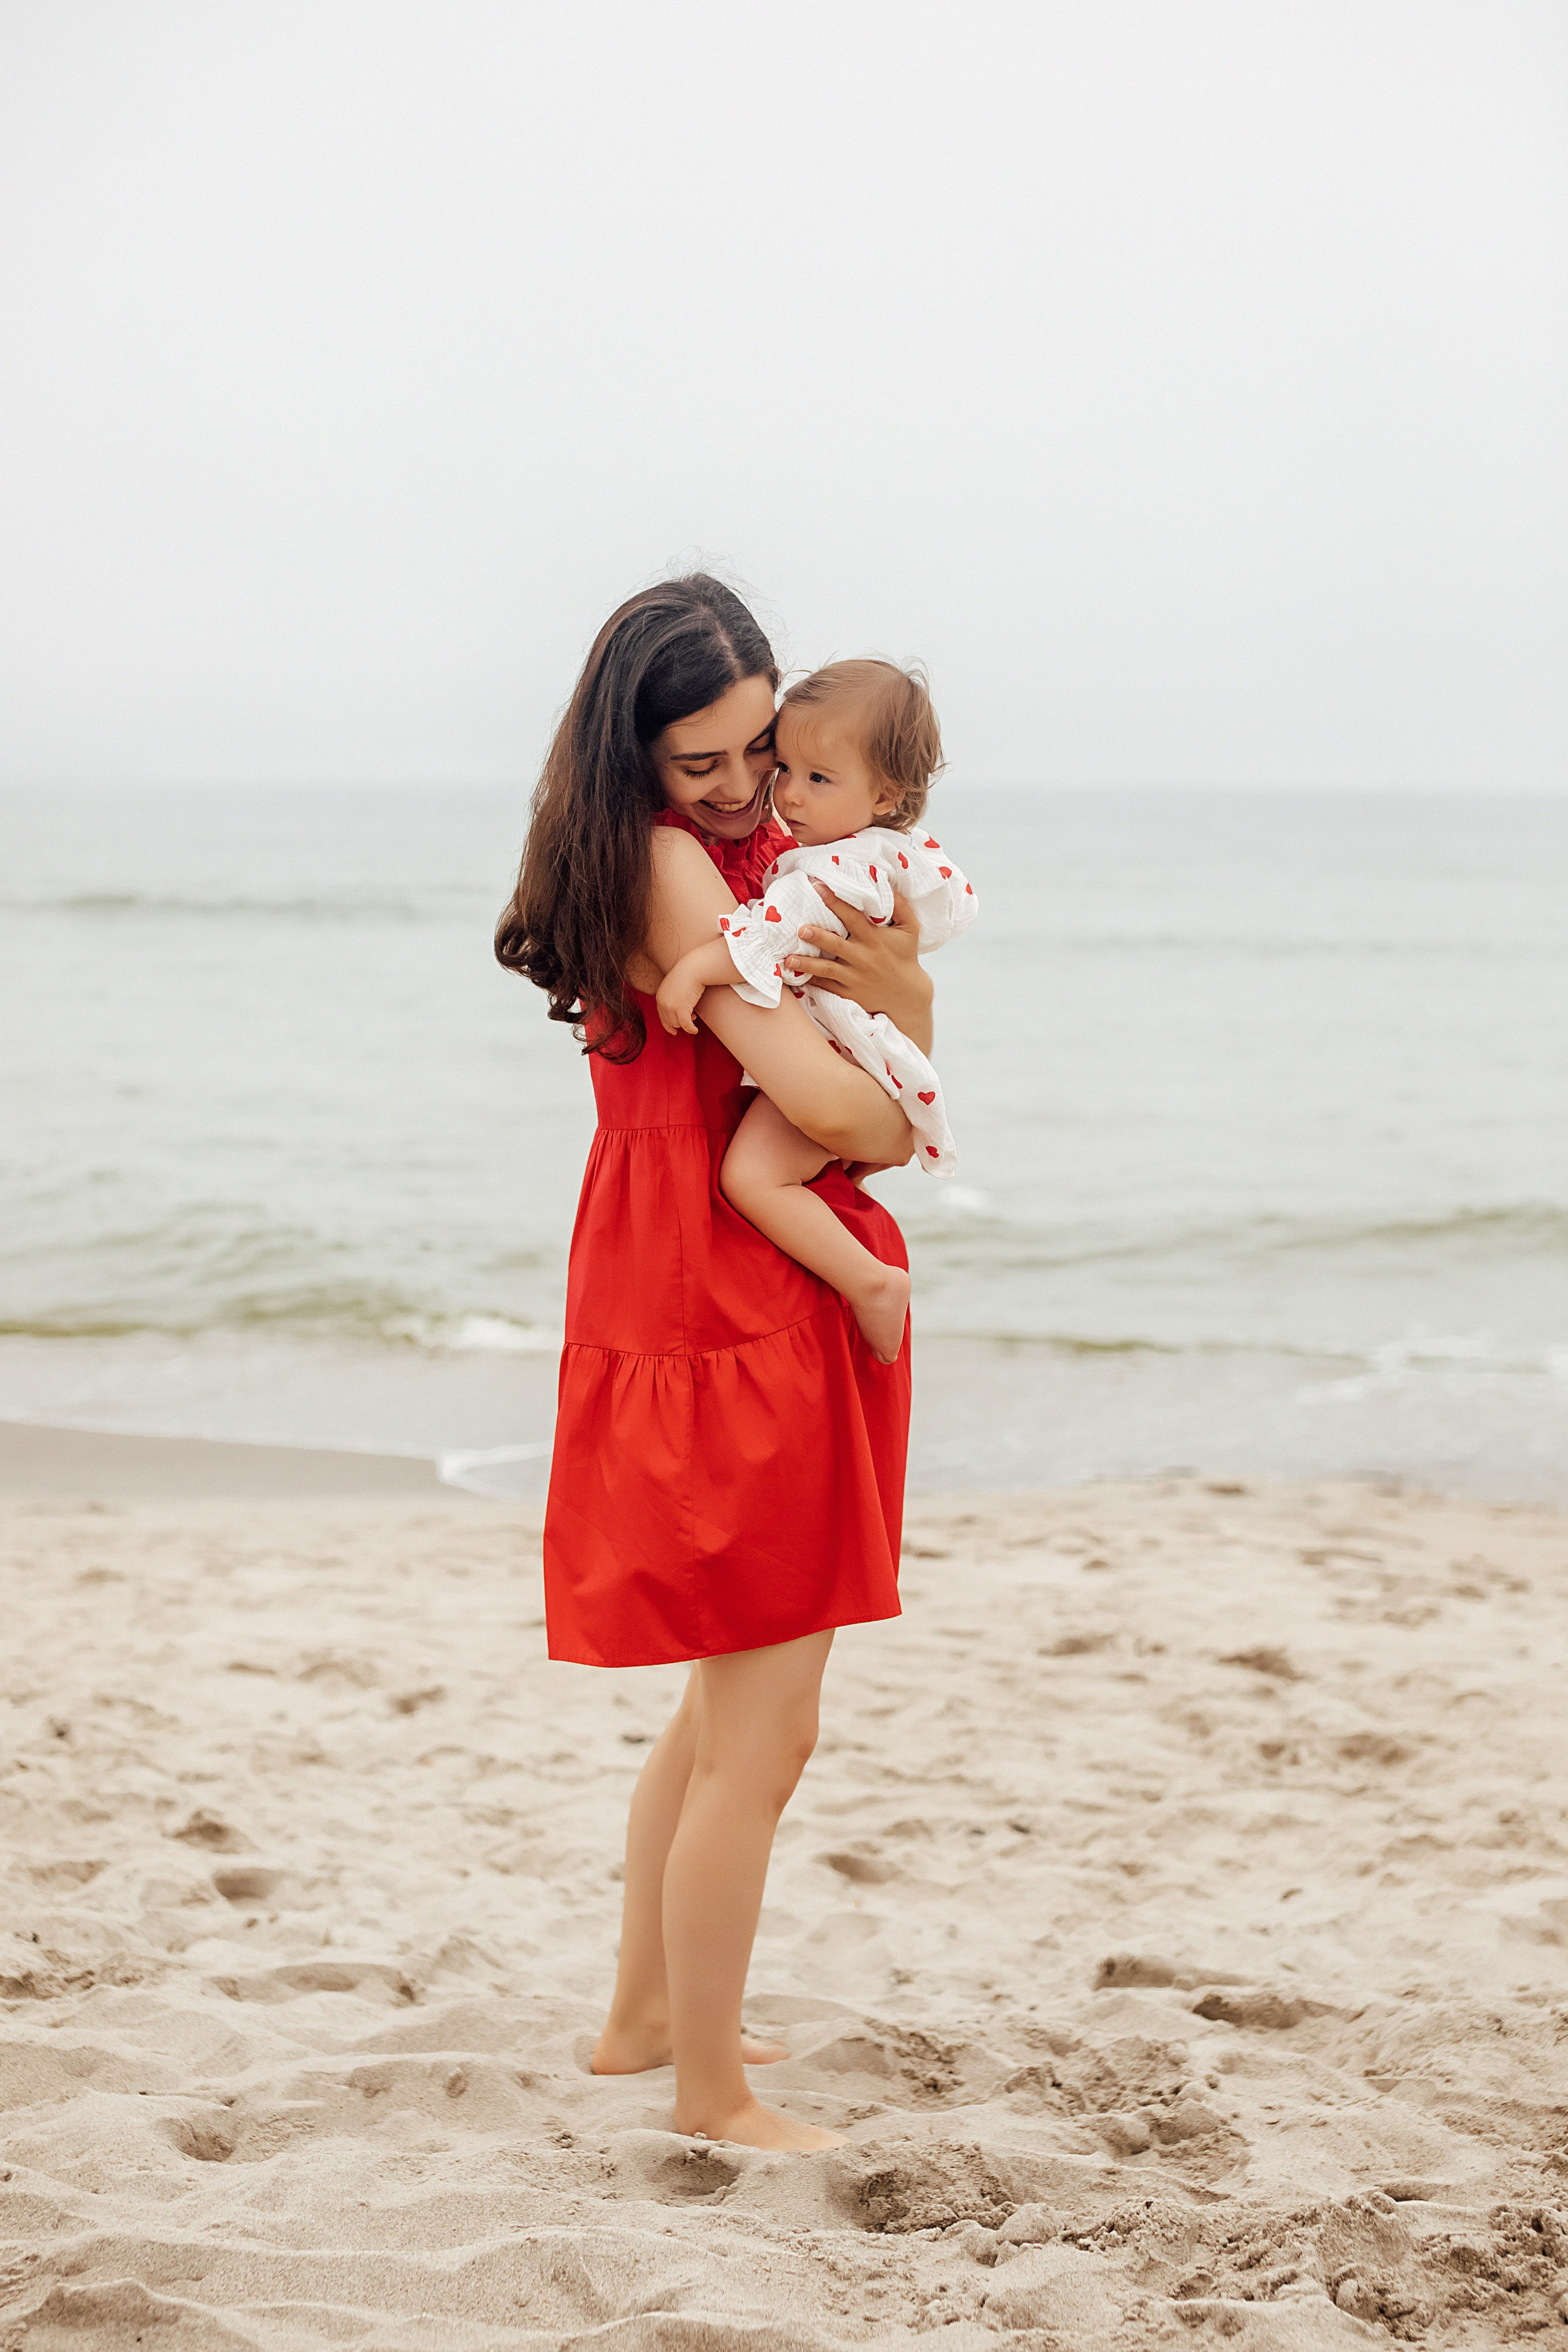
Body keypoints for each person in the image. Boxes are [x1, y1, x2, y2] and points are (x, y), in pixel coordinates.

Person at [496, 576, 933, 2151]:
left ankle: (643, 2018)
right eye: (703, 760)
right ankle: (709, 2096)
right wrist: (912, 1029)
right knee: (763, 1732)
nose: (745, 785)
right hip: (724, 1289)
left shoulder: (700, 849)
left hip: (703, 1267)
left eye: (762, 748)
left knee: (716, 1709)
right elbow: (839, 1109)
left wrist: (896, 1020)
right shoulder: (676, 868)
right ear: (631, 753)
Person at [654, 660, 976, 1365]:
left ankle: (870, 1283)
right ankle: (867, 1280)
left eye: (814, 777)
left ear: (884, 793)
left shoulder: (831, 868)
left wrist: (696, 968)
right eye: (788, 769)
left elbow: (768, 935)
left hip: (817, 1121)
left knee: (753, 1177)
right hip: (788, 1204)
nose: (781, 793)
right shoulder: (872, 853)